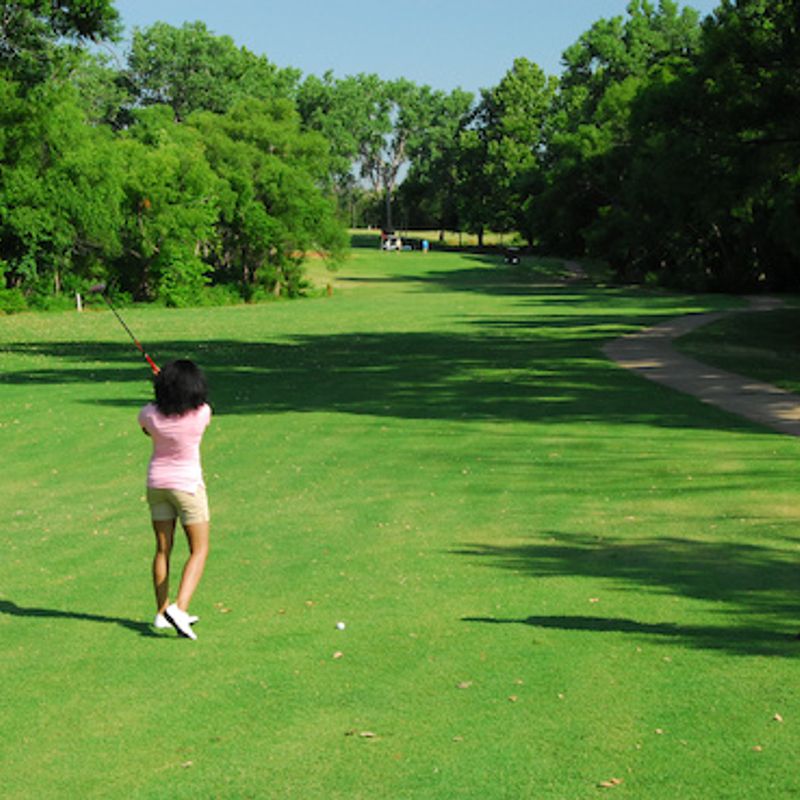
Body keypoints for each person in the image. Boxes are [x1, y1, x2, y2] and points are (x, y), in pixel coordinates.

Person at [138, 360, 212, 640]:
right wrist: (172, 389)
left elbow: (148, 427)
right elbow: (193, 405)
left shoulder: (149, 415)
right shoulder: (202, 413)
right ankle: (180, 609)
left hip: (157, 484)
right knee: (199, 549)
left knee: (162, 549)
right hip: (188, 488)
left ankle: (162, 613)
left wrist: (163, 389)